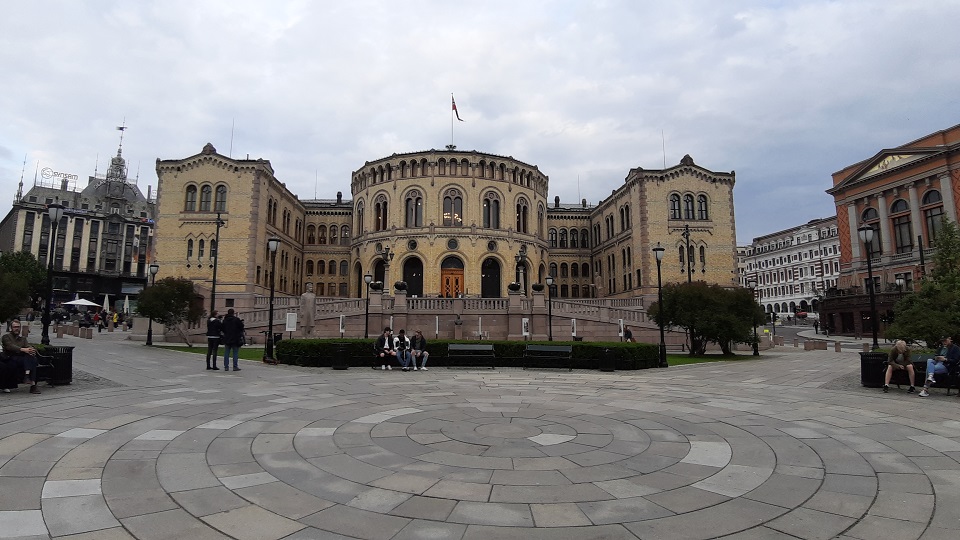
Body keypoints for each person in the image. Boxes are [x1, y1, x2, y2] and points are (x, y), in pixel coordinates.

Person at [1, 319, 41, 394]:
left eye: (18, 327)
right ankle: (32, 385)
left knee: (32, 358)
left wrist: (31, 349)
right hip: (11, 358)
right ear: (11, 328)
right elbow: (10, 346)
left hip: (22, 359)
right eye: (15, 327)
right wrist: (23, 349)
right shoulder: (6, 337)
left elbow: (28, 346)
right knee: (33, 360)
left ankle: (27, 377)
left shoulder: (23, 338)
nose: (17, 329)